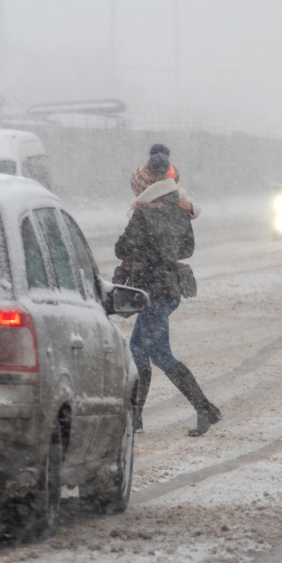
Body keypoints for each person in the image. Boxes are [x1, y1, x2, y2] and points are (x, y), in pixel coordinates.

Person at [115, 152, 222, 435]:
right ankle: (135, 418)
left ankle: (205, 409)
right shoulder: (179, 210)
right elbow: (187, 250)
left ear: (143, 187)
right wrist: (163, 249)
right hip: (169, 290)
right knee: (137, 348)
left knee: (161, 355)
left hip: (151, 293)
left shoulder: (142, 213)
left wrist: (144, 250)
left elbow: (121, 250)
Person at [130, 144, 200, 220]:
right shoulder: (143, 195)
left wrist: (189, 206)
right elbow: (131, 212)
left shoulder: (178, 193)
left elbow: (196, 210)